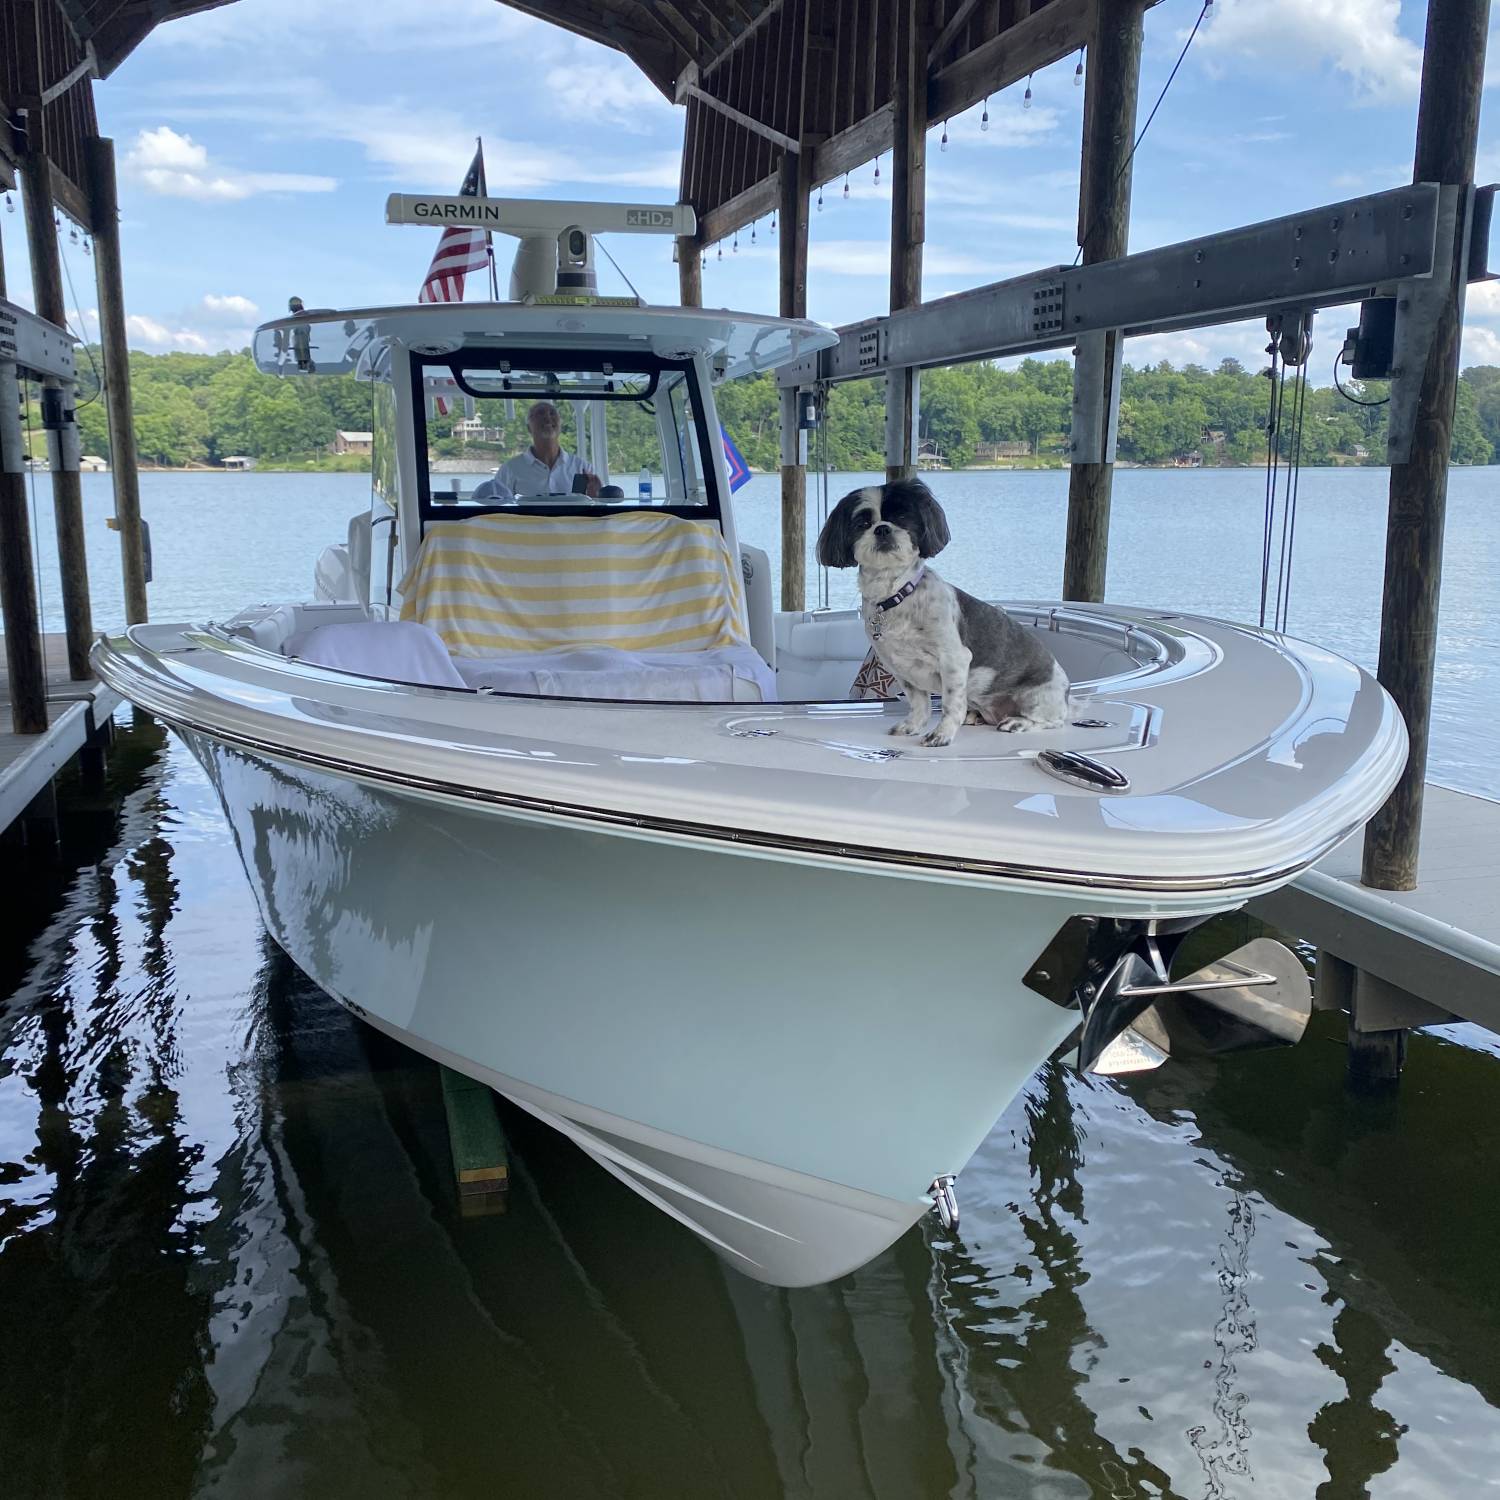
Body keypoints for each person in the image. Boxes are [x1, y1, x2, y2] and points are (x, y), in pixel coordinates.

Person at [495, 401, 599, 498]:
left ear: (560, 425)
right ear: (528, 427)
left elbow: (594, 510)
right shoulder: (510, 469)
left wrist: (595, 497)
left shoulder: (582, 467)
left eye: (552, 413)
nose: (547, 417)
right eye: (540, 413)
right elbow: (497, 510)